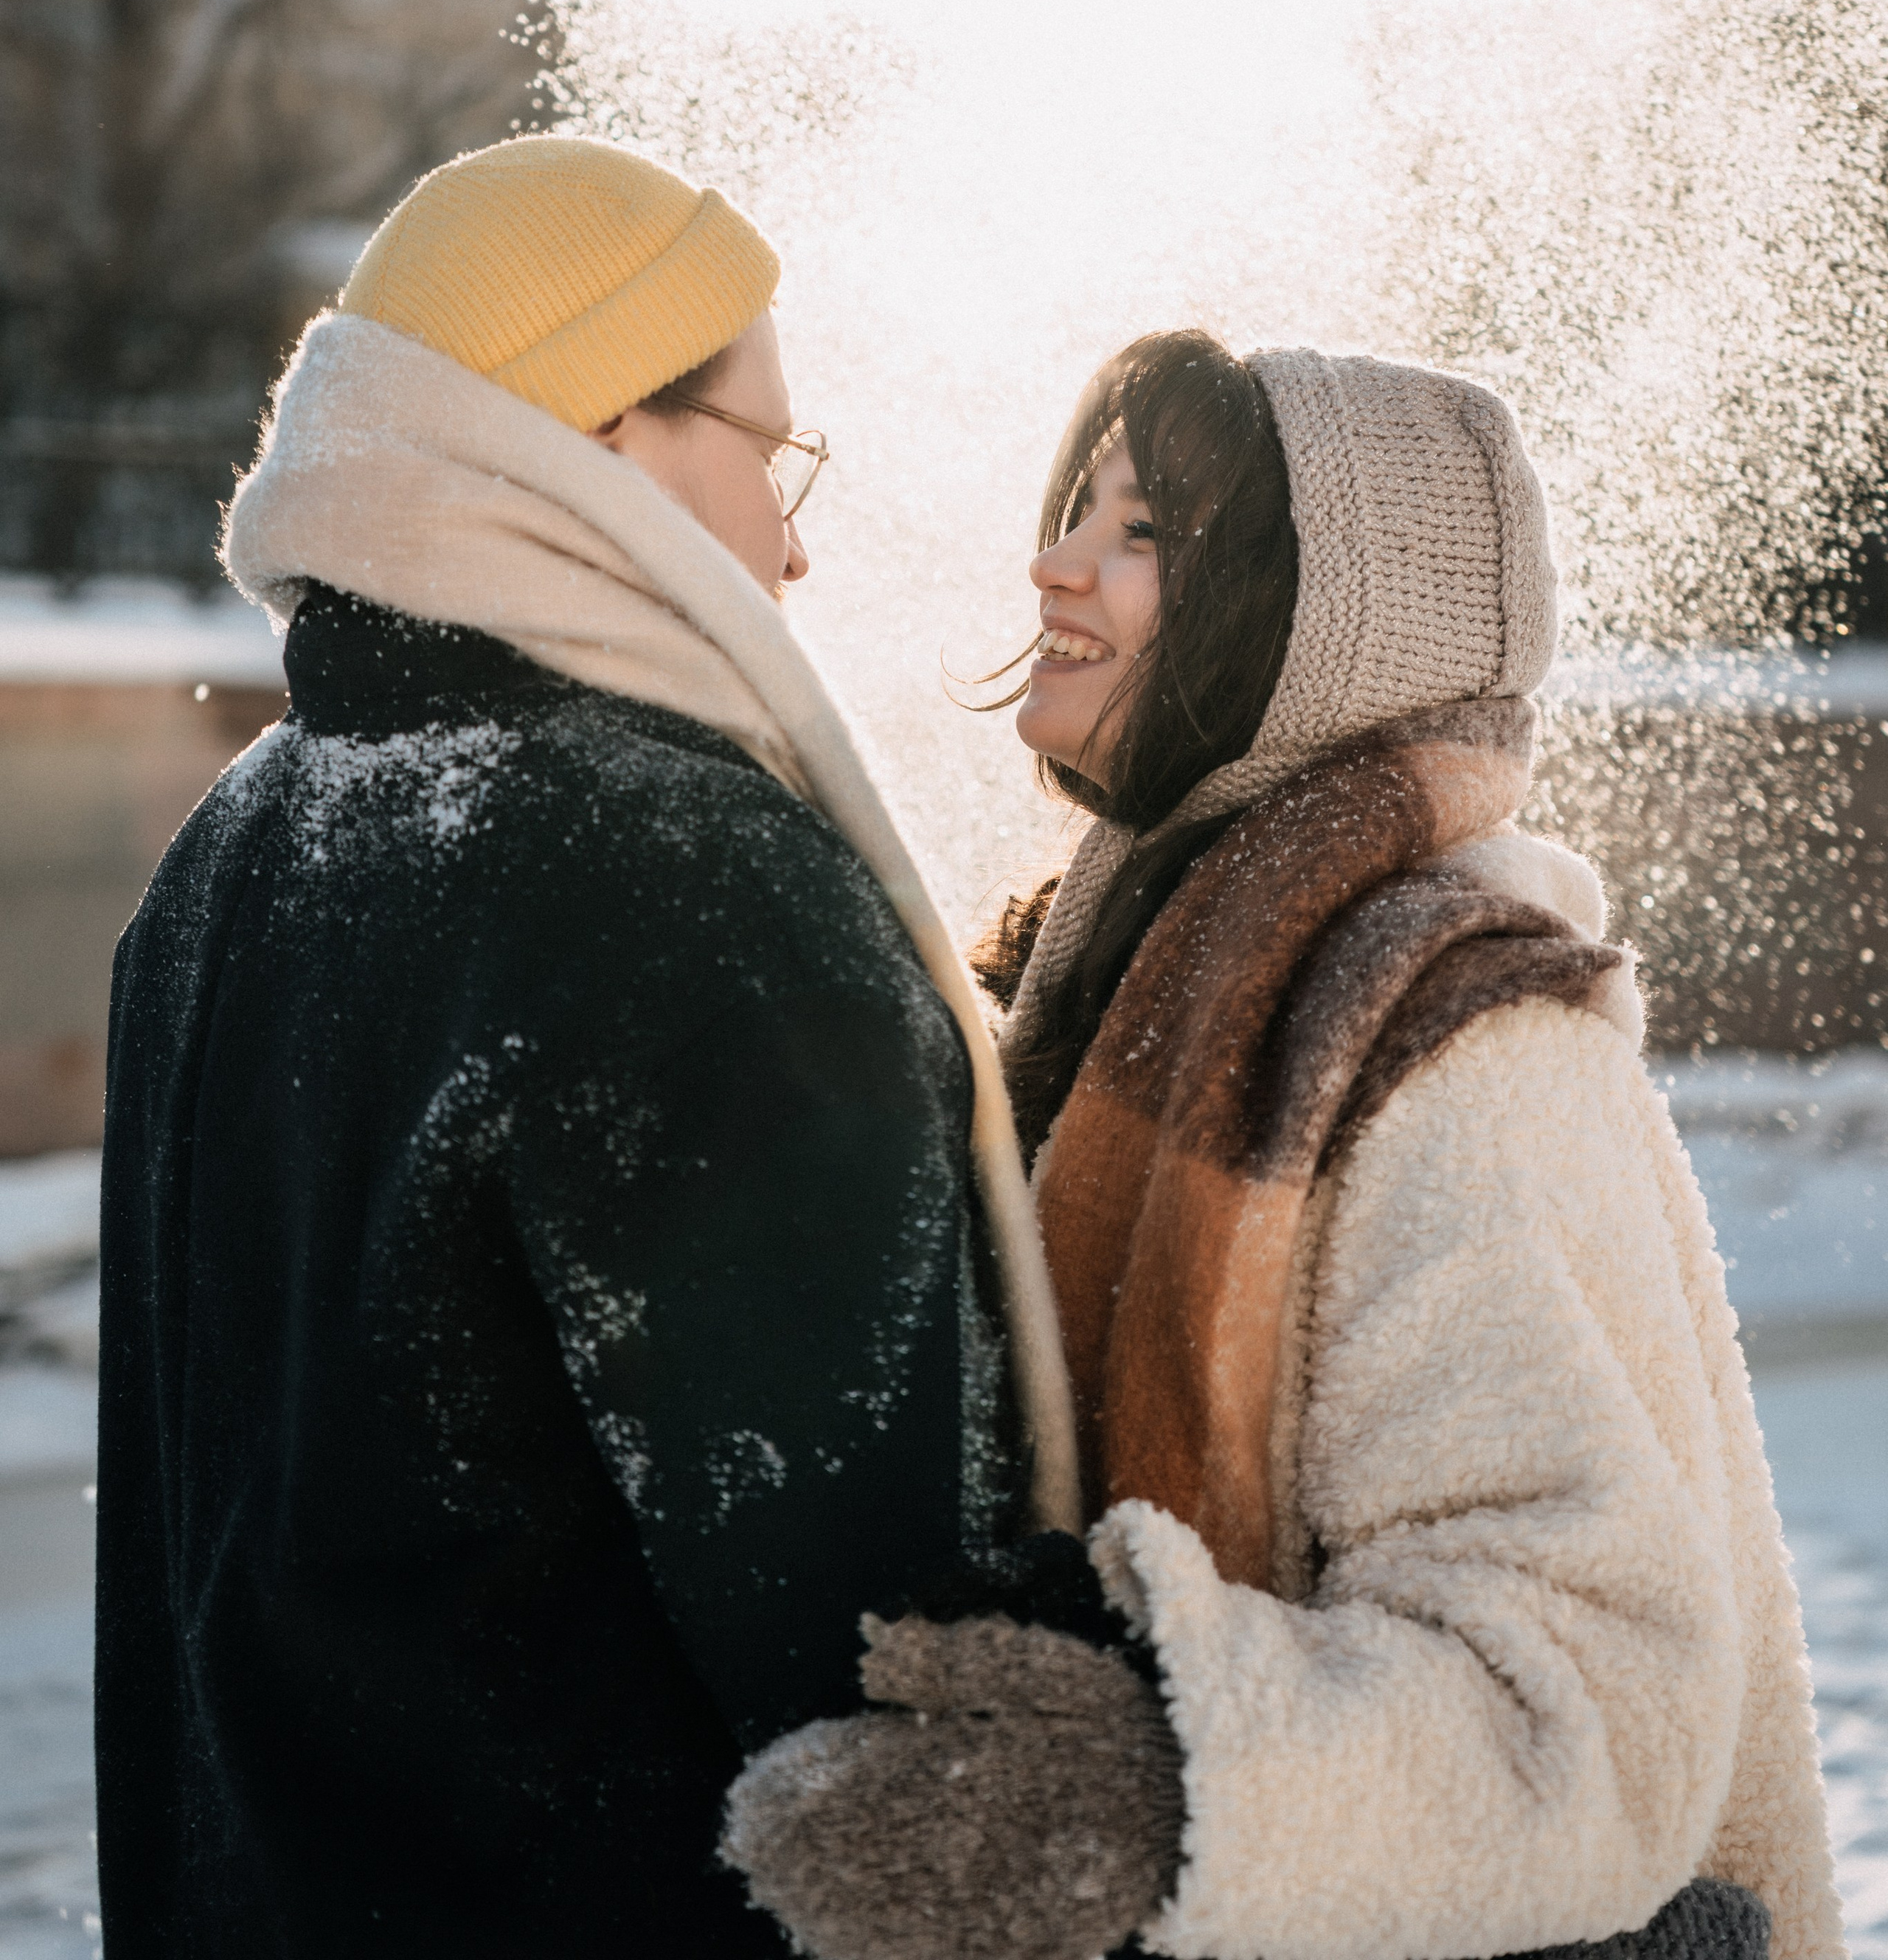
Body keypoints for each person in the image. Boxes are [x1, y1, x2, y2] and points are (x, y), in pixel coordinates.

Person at [726, 331, 1846, 1960]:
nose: (1051, 565)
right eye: (1075, 508)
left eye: (1143, 536)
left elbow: (1590, 1707)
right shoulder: (1077, 974)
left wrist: (1155, 1789)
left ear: (1324, 633)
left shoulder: (1456, 1047)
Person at [94, 136, 1077, 1957]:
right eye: (773, 453)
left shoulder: (241, 847)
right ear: (599, 439)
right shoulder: (687, 888)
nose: (795, 542)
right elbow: (890, 1688)